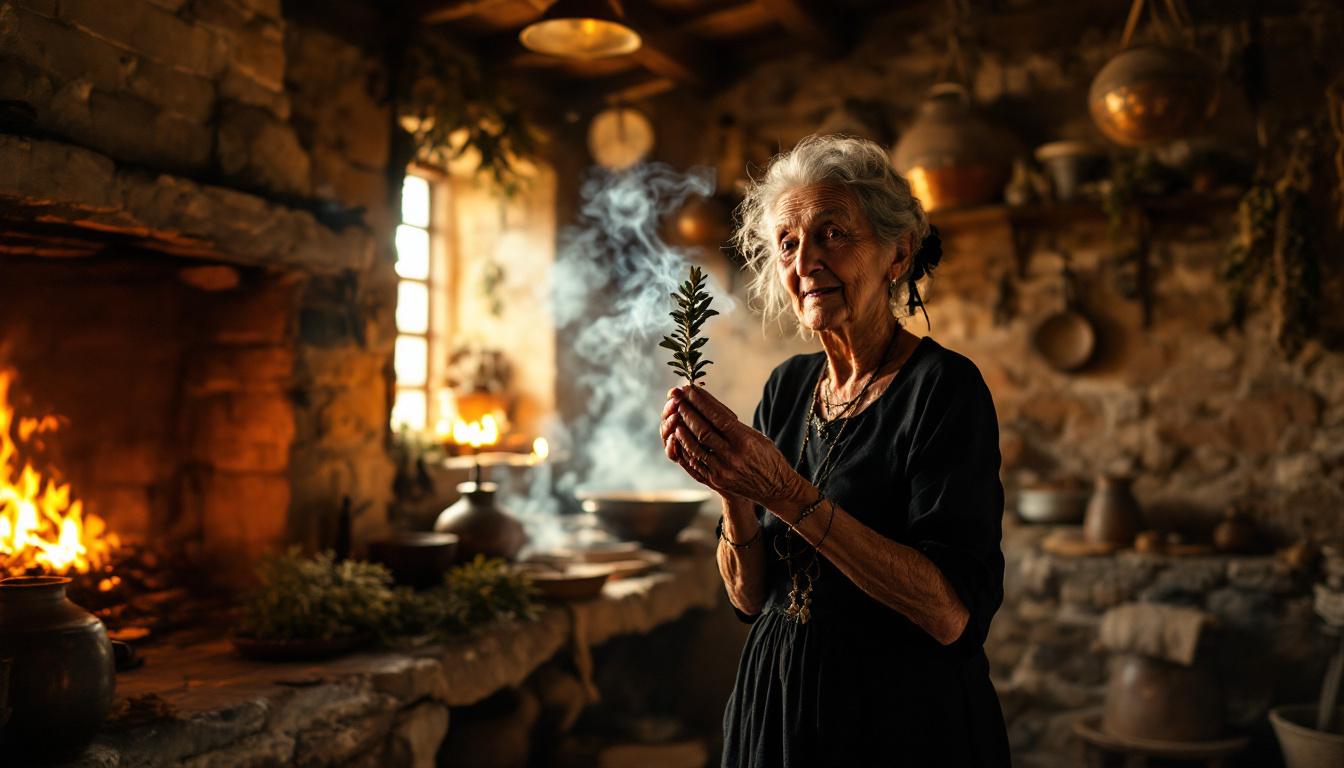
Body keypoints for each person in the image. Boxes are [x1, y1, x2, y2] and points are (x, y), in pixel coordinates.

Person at [659, 135, 1010, 766]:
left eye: (833, 234)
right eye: (788, 244)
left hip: (899, 720)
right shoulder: (788, 387)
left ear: (896, 254)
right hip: (778, 711)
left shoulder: (944, 389)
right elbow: (747, 598)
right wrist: (734, 493)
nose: (806, 261)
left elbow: (950, 613)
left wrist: (787, 495)